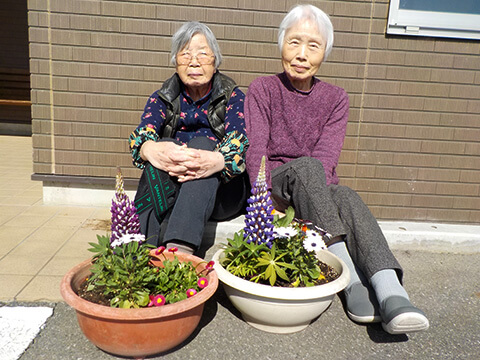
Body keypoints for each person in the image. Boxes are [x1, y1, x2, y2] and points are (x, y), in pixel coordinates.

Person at [245, 4, 429, 335]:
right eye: (294, 42)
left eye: (313, 46)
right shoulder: (262, 89)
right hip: (274, 183)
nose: (301, 54)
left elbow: (328, 156)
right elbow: (256, 150)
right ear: (281, 44)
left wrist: (316, 194)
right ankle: (352, 282)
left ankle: (392, 293)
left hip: (315, 185)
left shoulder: (336, 98)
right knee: (306, 169)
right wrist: (263, 199)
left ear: (324, 53)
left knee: (342, 192)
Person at [129, 21, 249, 255]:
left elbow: (239, 142)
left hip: (223, 194)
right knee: (162, 146)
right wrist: (149, 149)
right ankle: (138, 247)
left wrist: (215, 160)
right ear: (176, 62)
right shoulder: (163, 97)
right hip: (176, 186)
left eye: (203, 54)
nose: (194, 61)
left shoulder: (233, 96)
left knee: (203, 145)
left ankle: (180, 251)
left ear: (215, 61)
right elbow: (141, 135)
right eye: (185, 55)